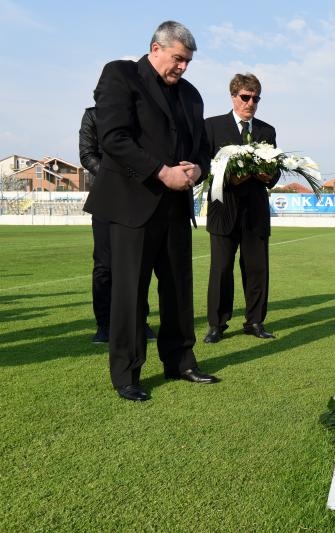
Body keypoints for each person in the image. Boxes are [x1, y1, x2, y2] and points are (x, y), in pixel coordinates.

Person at [83, 21, 219, 402]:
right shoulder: (121, 74)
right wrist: (162, 172)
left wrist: (196, 170)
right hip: (131, 204)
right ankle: (126, 373)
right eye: (178, 59)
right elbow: (113, 138)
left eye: (188, 61)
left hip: (176, 207)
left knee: (178, 289)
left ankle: (181, 362)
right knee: (130, 293)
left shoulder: (192, 95)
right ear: (155, 48)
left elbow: (202, 149)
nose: (183, 68)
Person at [203, 73, 280, 344]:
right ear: (234, 96)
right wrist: (227, 177)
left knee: (257, 270)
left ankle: (255, 321)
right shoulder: (211, 127)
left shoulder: (266, 131)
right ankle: (217, 324)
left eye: (256, 98)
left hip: (256, 212)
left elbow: (276, 170)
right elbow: (204, 167)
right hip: (224, 208)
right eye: (246, 97)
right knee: (221, 269)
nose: (251, 103)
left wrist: (267, 175)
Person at [79, 107, 155, 344]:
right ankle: (104, 324)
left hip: (137, 198)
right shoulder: (92, 115)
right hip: (106, 197)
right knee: (104, 265)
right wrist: (117, 177)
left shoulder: (139, 115)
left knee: (137, 263)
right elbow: (87, 155)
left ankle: (139, 320)